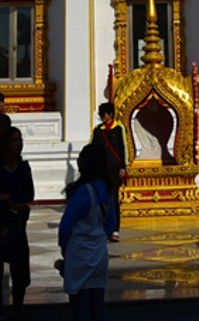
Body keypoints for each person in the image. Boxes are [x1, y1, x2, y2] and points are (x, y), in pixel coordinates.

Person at [0, 126, 33, 321]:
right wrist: (10, 204)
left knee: (19, 272)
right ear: (5, 144)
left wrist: (7, 197)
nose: (18, 144)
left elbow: (28, 194)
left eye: (20, 140)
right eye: (14, 140)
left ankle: (17, 310)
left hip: (17, 226)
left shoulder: (23, 168)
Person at [59, 144, 115, 321]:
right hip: (99, 252)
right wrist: (97, 235)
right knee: (98, 307)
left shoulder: (83, 191)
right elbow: (111, 223)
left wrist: (64, 246)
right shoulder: (108, 190)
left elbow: (66, 225)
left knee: (80, 309)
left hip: (80, 253)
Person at [90, 102, 125, 241]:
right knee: (100, 199)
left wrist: (123, 166)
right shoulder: (98, 131)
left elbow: (123, 148)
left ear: (110, 114)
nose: (102, 117)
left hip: (114, 169)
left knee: (114, 199)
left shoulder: (118, 129)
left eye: (104, 114)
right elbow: (92, 148)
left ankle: (115, 229)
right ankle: (103, 227)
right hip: (101, 169)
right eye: (100, 114)